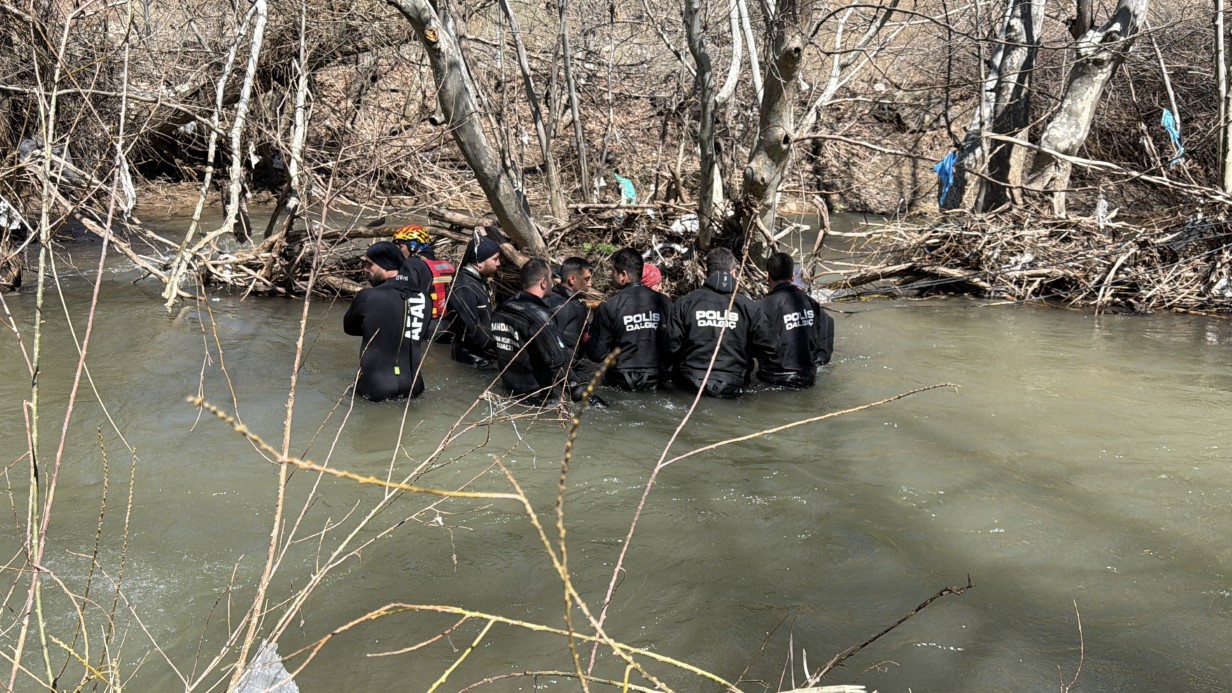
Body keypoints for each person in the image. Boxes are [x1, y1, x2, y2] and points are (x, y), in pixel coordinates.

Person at [667, 247, 776, 398]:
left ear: (707, 272)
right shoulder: (749, 307)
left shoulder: (684, 303)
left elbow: (671, 346)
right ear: (733, 272)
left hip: (689, 384)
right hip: (732, 385)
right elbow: (770, 347)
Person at [342, 242, 430, 401]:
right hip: (414, 387)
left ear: (385, 265)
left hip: (375, 388)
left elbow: (349, 328)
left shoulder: (367, 297)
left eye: (369, 264)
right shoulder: (424, 297)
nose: (365, 269)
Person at [585, 248, 673, 391]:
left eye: (613, 271)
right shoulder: (665, 303)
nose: (611, 275)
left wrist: (587, 339)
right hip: (656, 380)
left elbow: (597, 354)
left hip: (620, 381)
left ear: (623, 275)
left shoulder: (609, 306)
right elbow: (672, 344)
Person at [490, 259, 570, 403]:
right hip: (536, 399)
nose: (553, 282)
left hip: (507, 392)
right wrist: (580, 389)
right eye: (551, 277)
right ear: (543, 282)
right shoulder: (541, 316)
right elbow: (559, 362)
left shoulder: (502, 309)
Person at [756, 252, 834, 388]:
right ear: (792, 277)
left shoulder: (761, 306)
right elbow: (827, 325)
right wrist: (817, 361)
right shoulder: (811, 302)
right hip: (807, 377)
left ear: (767, 276)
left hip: (773, 380)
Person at [545, 257, 599, 399]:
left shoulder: (547, 298)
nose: (590, 284)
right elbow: (568, 353)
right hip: (563, 375)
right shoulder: (574, 308)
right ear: (572, 279)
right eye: (587, 279)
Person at [445, 236, 501, 367]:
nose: (498, 263)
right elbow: (474, 330)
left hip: (483, 354)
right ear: (479, 262)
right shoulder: (463, 287)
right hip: (471, 360)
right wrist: (501, 350)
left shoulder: (477, 280)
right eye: (495, 259)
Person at [392, 225, 456, 340]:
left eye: (401, 246)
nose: (399, 251)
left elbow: (399, 298)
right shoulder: (448, 265)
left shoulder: (412, 264)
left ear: (413, 246)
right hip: (450, 326)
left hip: (426, 328)